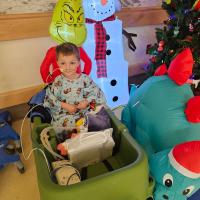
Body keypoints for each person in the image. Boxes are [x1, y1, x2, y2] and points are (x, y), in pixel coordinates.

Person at [43, 42, 106, 128]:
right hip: (65, 116)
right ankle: (79, 130)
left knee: (101, 117)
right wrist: (65, 106)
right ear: (57, 63)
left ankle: (86, 127)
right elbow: (50, 98)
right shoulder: (58, 81)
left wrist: (86, 101)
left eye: (72, 63)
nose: (68, 67)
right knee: (62, 125)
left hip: (84, 113)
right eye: (63, 63)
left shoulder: (85, 79)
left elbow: (96, 92)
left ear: (78, 63)